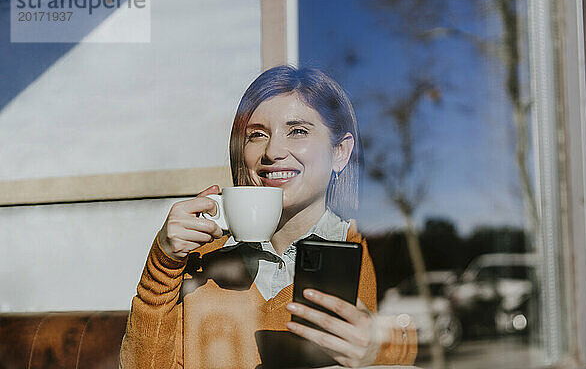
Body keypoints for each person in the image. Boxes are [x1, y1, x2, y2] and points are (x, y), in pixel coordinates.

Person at [120, 66, 417, 368]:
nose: (273, 151)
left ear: (340, 152)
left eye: (298, 131)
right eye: (257, 135)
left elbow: (417, 337)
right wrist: (163, 264)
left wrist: (380, 350)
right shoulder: (196, 259)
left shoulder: (373, 252)